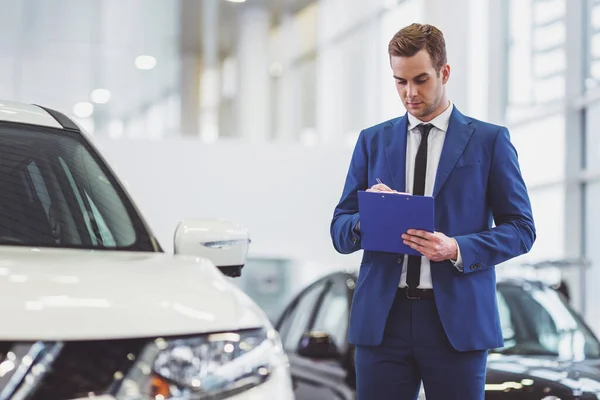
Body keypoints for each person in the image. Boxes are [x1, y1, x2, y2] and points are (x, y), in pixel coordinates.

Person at [330, 23, 536, 400]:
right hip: (382, 321)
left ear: (444, 72)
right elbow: (340, 229)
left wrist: (456, 248)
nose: (409, 93)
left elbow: (522, 229)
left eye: (420, 80)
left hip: (456, 324)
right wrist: (367, 220)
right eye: (399, 82)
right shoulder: (372, 141)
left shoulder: (489, 141)